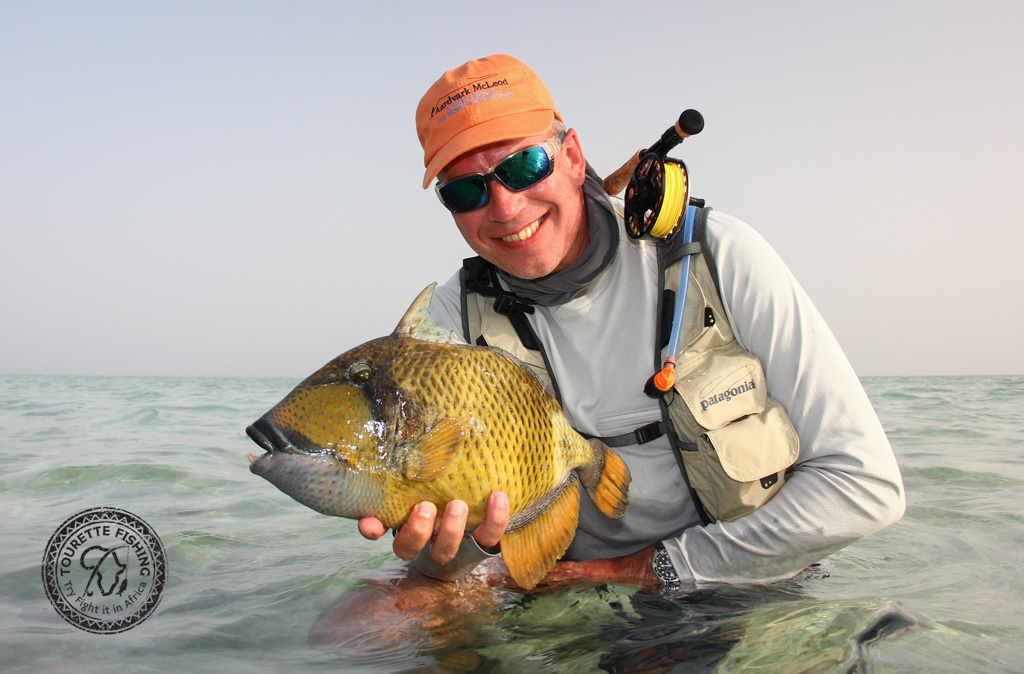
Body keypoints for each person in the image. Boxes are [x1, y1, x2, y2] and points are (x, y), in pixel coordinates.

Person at [356, 54, 905, 588]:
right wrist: (449, 558)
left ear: (572, 156)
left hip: (744, 586)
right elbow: (444, 560)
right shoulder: (448, 321)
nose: (503, 206)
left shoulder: (718, 256)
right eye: (465, 190)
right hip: (567, 591)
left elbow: (865, 486)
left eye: (524, 166)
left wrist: (642, 571)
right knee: (362, 623)